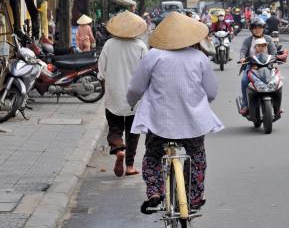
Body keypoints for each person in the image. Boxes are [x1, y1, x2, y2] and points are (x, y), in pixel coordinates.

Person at [127, 12, 223, 211]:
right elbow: (212, 92)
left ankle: (154, 191)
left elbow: (136, 88)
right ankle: (194, 197)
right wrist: (204, 103)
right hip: (192, 121)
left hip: (159, 122)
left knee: (153, 155)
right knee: (196, 155)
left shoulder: (154, 56)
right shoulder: (199, 58)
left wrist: (131, 103)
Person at [98, 11, 148, 177]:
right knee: (133, 132)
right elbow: (146, 71)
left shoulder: (109, 44)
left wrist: (104, 81)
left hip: (114, 94)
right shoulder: (140, 46)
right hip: (135, 96)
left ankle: (118, 147)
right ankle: (130, 166)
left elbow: (101, 70)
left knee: (114, 128)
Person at [238, 18, 277, 115]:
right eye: (255, 28)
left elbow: (274, 52)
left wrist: (278, 57)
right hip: (251, 66)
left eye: (260, 27)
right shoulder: (248, 40)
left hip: (268, 66)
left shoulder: (268, 39)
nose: (257, 30)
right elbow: (243, 51)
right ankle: (245, 104)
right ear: (251, 29)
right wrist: (242, 58)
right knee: (244, 81)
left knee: (277, 82)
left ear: (263, 28)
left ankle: (276, 106)